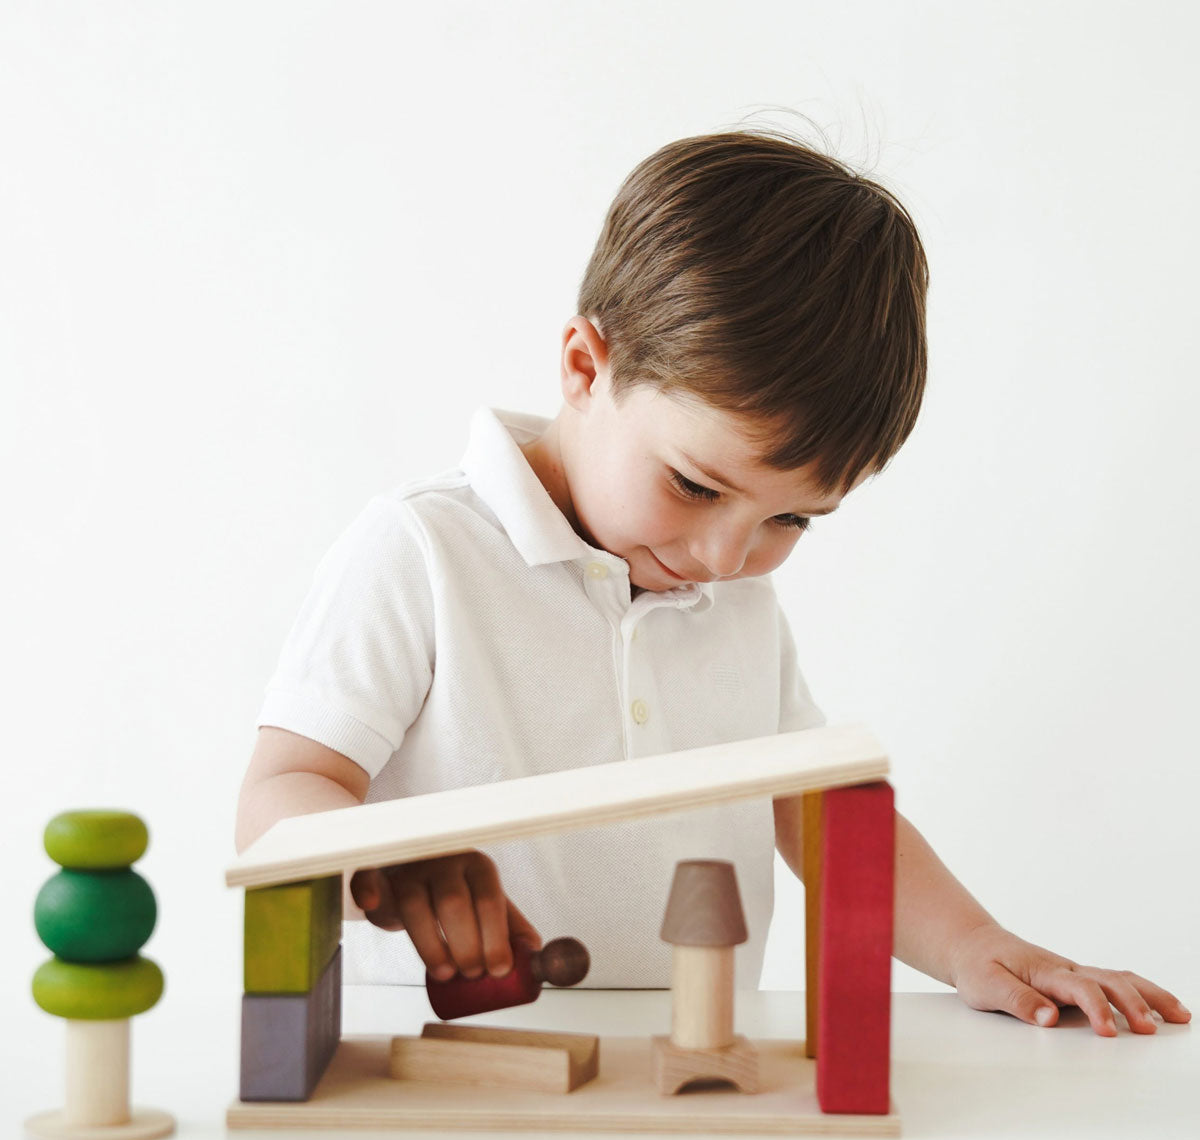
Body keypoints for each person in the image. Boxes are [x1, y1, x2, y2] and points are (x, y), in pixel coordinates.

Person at [235, 129, 1190, 1036]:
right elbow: (280, 793)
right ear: (584, 366)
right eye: (694, 484)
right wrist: (391, 860)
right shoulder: (423, 550)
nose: (727, 560)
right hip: (439, 1066)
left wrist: (979, 945)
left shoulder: (736, 600)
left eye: (791, 519)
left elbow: (818, 811)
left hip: (689, 1066)